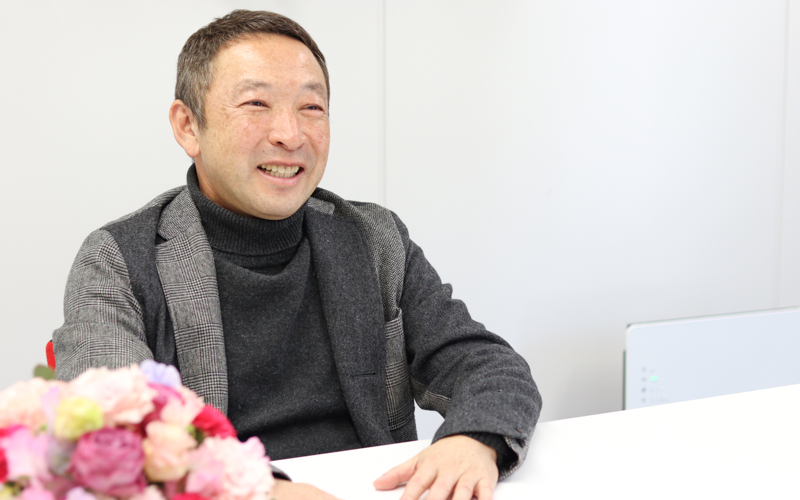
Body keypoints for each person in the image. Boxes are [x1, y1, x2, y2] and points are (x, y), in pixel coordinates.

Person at [53, 10, 541, 500]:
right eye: (256, 103)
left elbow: (489, 365)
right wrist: (260, 490)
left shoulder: (374, 238)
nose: (290, 134)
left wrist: (473, 438)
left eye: (311, 107)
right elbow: (111, 431)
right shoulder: (118, 259)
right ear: (188, 126)